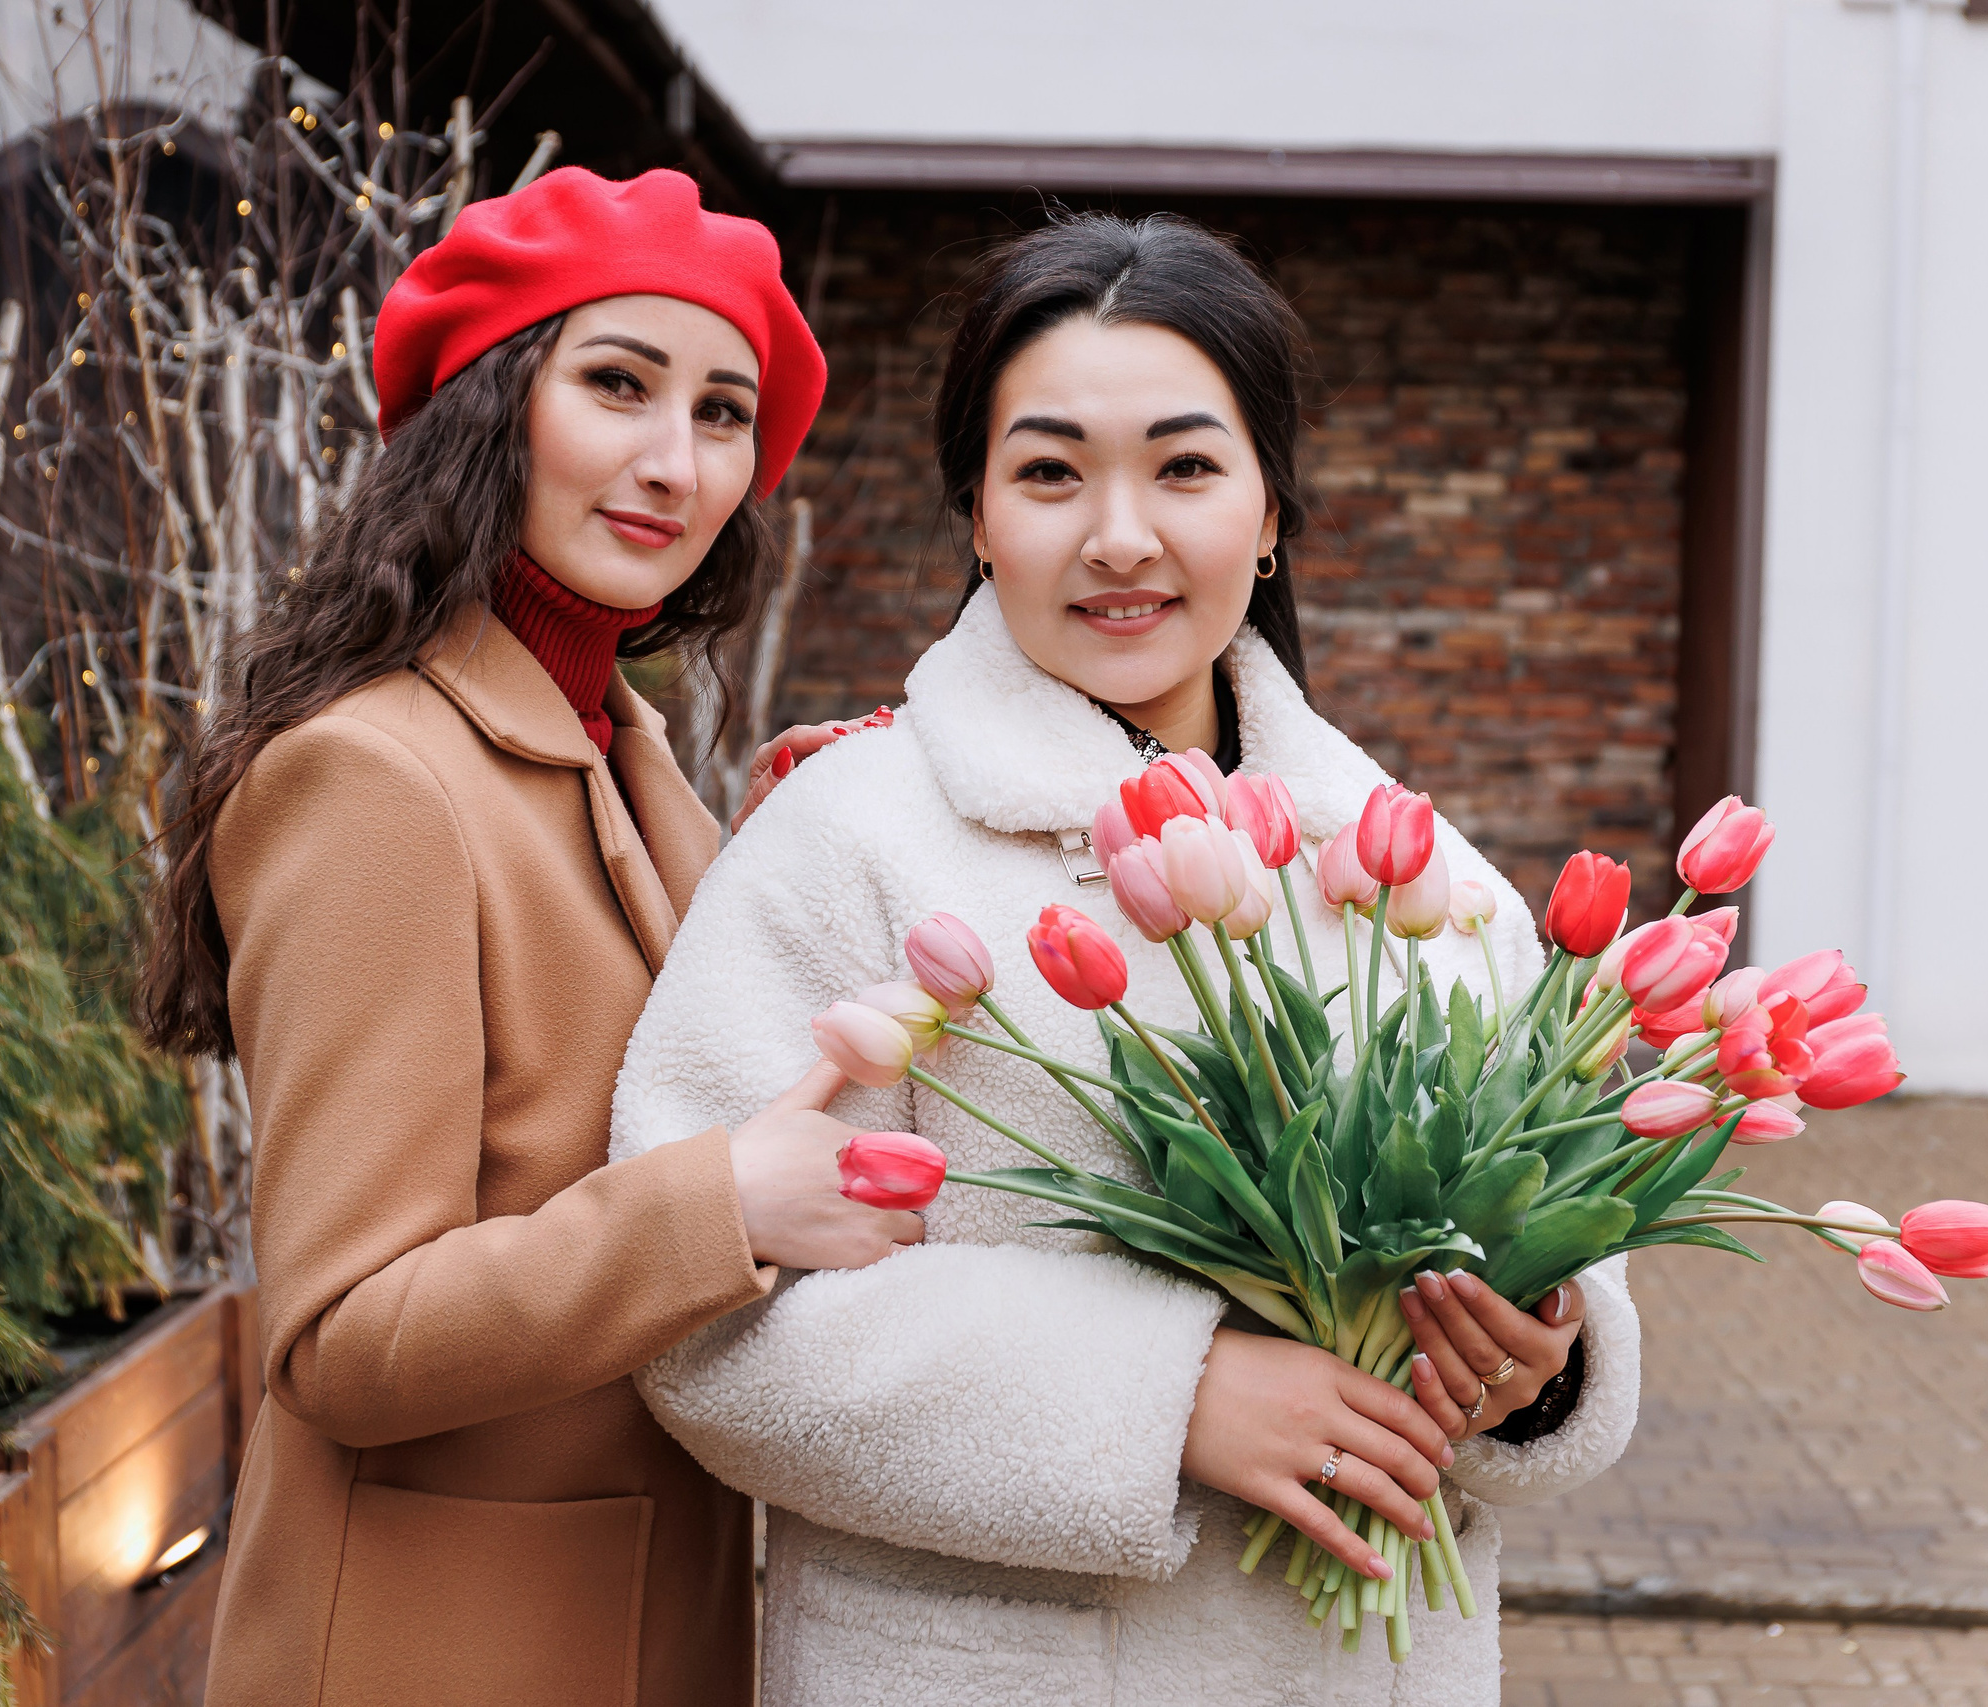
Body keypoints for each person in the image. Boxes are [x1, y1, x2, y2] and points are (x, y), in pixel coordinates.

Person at [609, 212, 1642, 1705]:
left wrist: (1537, 1364)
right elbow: (706, 1331)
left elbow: (1569, 1253)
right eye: (1049, 473)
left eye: (1185, 468)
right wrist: (1169, 1397)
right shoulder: (846, 842)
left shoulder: (1408, 867)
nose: (1119, 537)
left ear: (1271, 512)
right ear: (976, 516)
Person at [137, 168, 925, 1707]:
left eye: (721, 413)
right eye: (618, 384)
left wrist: (808, 855)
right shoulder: (371, 778)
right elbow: (343, 1339)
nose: (674, 462)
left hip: (627, 1619)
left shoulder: (623, 748)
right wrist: (722, 1209)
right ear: (489, 413)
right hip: (434, 1652)